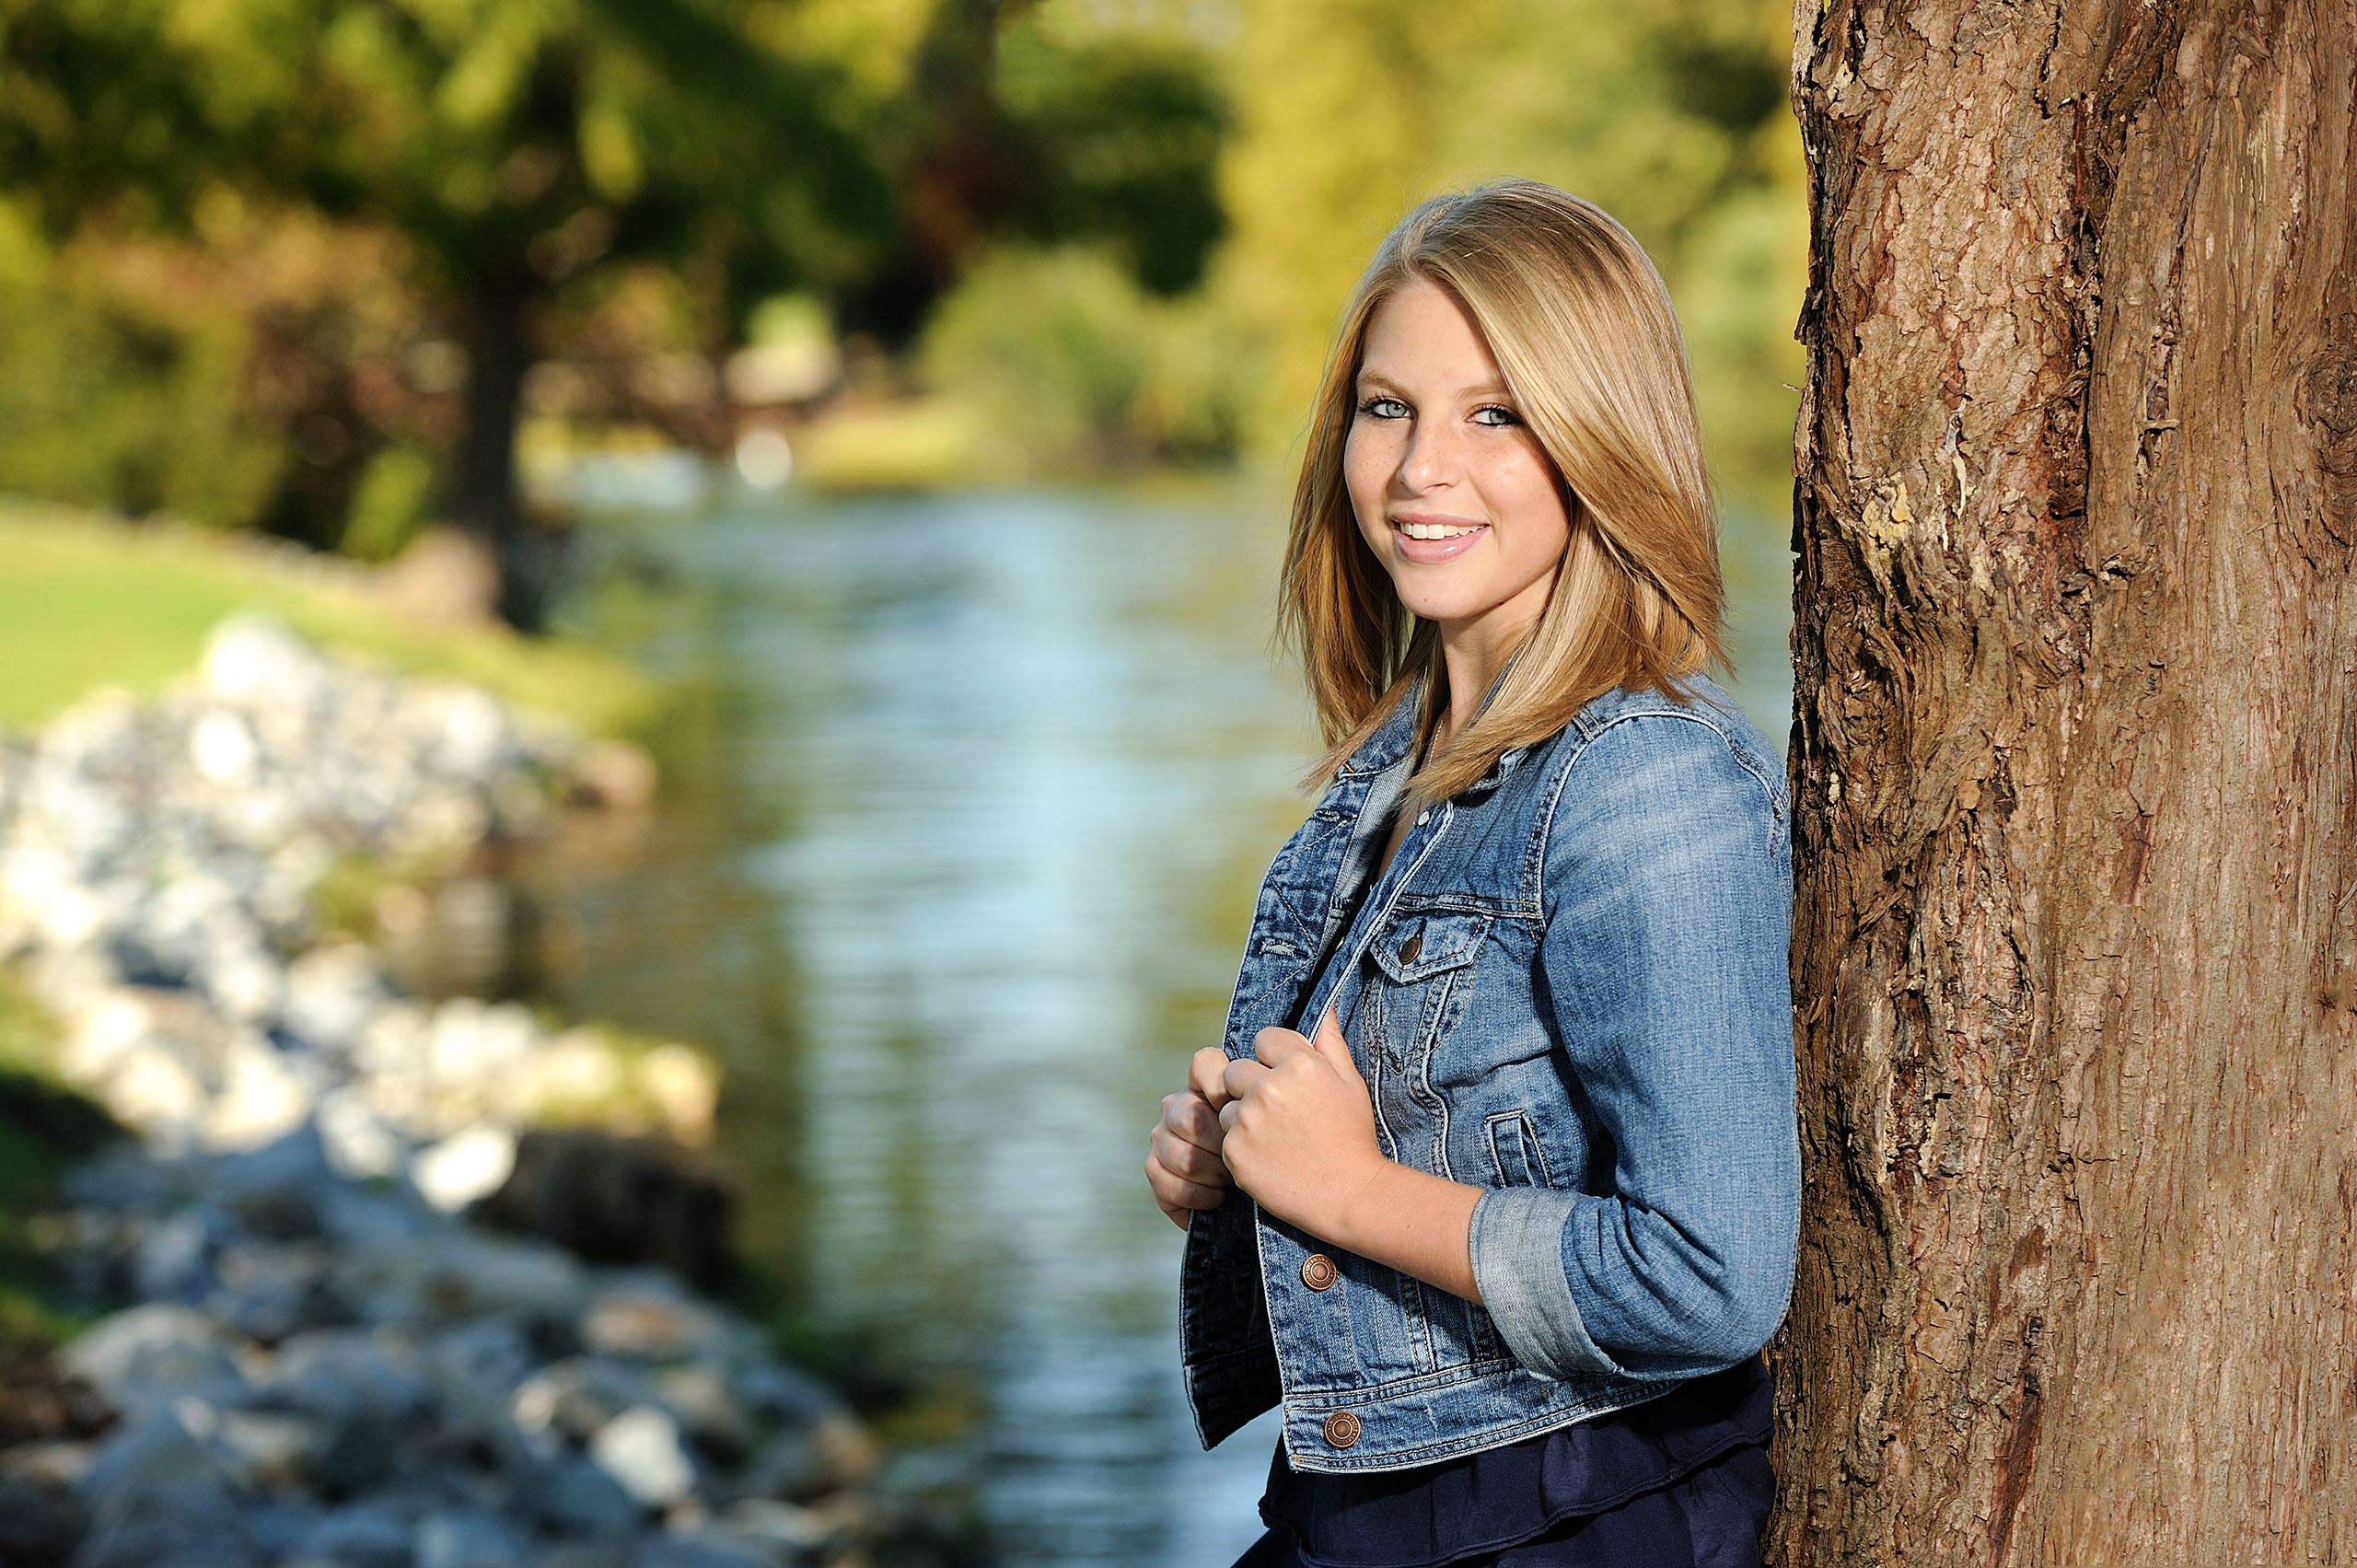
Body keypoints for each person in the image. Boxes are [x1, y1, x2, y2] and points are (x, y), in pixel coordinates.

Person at [1144, 179, 1799, 1567]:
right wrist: (1244, 1161)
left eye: (1495, 415)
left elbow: (1710, 1278)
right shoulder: (1387, 781)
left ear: (1601, 440)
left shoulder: (1646, 782)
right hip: (1365, 1514)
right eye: (1389, 408)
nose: (1420, 469)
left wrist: (1344, 1189)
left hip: (1573, 1527)